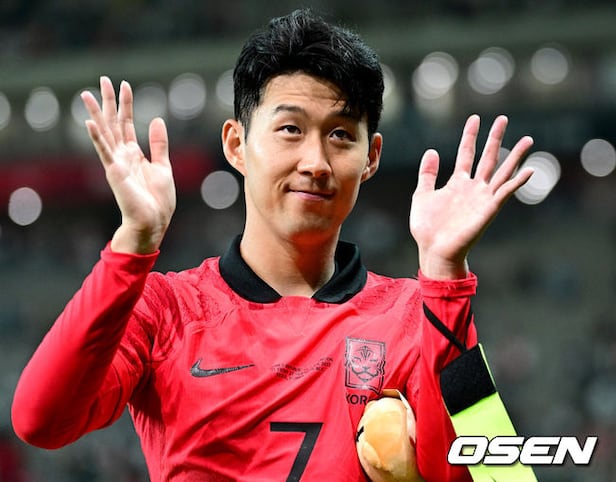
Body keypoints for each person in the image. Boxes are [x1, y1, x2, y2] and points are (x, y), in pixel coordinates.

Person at [11, 9, 534, 482]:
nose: (316, 162)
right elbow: (41, 421)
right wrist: (132, 244)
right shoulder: (166, 311)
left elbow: (499, 473)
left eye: (341, 135)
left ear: (371, 157)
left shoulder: (418, 313)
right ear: (236, 144)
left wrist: (444, 275)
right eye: (290, 129)